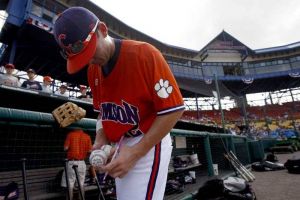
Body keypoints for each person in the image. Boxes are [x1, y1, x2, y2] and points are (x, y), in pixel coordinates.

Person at [54, 7, 184, 200]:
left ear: (103, 30)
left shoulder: (144, 54)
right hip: (120, 146)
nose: (89, 60)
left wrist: (136, 152)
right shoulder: (93, 70)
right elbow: (102, 113)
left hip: (148, 141)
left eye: (90, 51)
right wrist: (101, 139)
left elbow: (173, 110)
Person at [61, 129, 92, 200]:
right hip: (82, 162)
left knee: (70, 184)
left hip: (72, 162)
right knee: (81, 183)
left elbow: (65, 148)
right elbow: (90, 151)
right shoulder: (87, 136)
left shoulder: (70, 134)